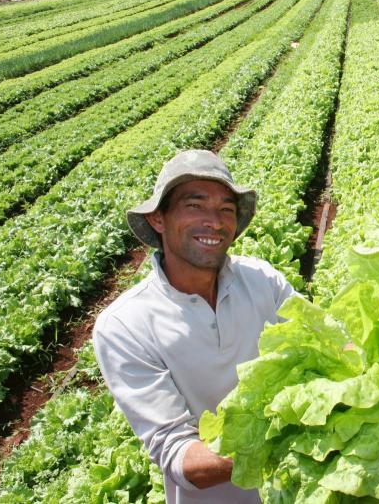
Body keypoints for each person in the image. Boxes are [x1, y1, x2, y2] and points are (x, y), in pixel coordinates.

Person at [93, 150, 295, 503]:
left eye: (226, 209)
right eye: (194, 206)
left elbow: (329, 347)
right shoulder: (125, 325)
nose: (214, 222)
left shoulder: (264, 280)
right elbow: (180, 456)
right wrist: (290, 439)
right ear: (159, 219)